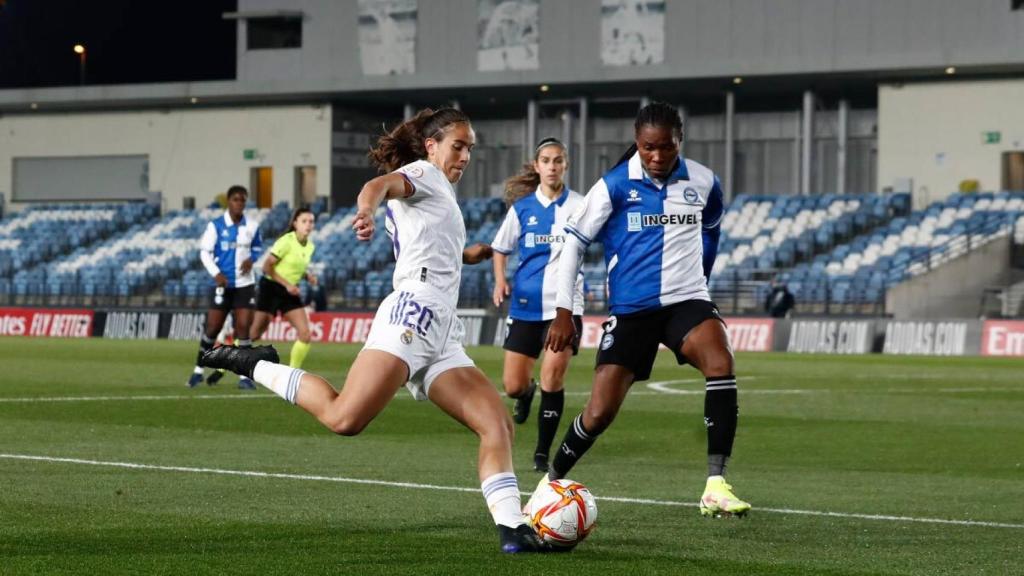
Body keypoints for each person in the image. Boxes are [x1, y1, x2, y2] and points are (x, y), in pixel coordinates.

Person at [200, 108, 552, 553]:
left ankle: (513, 529)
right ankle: (256, 364)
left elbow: (427, 243)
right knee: (344, 418)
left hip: (442, 328)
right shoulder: (423, 173)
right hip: (413, 314)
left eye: (470, 148)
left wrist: (469, 254)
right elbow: (376, 187)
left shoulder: (437, 187)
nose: (465, 156)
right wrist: (365, 211)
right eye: (458, 146)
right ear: (431, 146)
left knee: (496, 423)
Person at [544, 102, 751, 517]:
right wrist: (564, 310)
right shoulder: (614, 185)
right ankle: (549, 481)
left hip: (686, 300)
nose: (657, 156)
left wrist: (702, 281)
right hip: (632, 310)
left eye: (666, 147)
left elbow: (711, 233)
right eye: (647, 148)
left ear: (680, 141)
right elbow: (574, 245)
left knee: (720, 361)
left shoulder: (704, 182)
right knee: (599, 413)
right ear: (637, 143)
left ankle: (715, 484)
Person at [491, 137, 585, 473]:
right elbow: (500, 248)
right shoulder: (522, 209)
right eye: (546, 160)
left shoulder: (581, 205)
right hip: (525, 305)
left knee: (552, 376)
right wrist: (500, 281)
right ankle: (525, 393)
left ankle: (542, 453)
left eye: (558, 160)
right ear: (537, 166)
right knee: (513, 385)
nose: (552, 166)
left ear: (566, 165)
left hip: (565, 308)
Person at [188, 185, 263, 389]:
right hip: (223, 284)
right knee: (213, 328)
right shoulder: (216, 226)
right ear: (228, 202)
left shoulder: (252, 226)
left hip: (245, 284)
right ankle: (198, 371)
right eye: (235, 199)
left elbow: (257, 247)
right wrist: (216, 273)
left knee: (243, 328)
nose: (239, 203)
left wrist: (251, 259)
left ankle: (244, 378)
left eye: (242, 200)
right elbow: (204, 252)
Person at [248, 207, 318, 368]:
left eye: (311, 221)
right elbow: (266, 267)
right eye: (304, 221)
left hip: (289, 291)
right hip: (271, 288)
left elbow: (295, 267)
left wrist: (307, 276)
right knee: (254, 334)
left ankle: (293, 373)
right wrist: (287, 285)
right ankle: (223, 362)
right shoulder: (286, 241)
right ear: (295, 223)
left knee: (305, 334)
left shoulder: (310, 246)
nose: (308, 225)